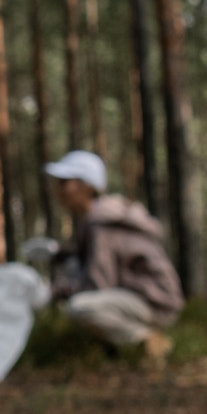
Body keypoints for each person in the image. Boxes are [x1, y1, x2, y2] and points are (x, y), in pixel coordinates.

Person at [37, 151, 184, 367]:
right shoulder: (100, 217)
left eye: (65, 182)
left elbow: (98, 282)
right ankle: (116, 351)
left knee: (81, 307)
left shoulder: (101, 224)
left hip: (154, 301)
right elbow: (89, 261)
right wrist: (58, 253)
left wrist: (55, 292)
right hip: (145, 297)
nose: (59, 190)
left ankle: (146, 341)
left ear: (86, 187)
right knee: (73, 273)